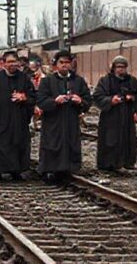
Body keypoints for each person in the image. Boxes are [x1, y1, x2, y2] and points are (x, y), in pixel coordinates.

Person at [37, 50, 92, 182]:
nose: (64, 65)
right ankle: (49, 169)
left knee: (70, 143)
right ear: (56, 65)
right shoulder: (47, 81)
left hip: (71, 119)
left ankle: (68, 169)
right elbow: (41, 101)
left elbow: (88, 101)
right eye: (61, 62)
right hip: (53, 120)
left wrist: (80, 101)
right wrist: (54, 101)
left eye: (67, 62)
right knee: (52, 144)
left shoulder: (78, 81)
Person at [0, 51, 36, 181]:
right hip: (0, 117)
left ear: (18, 63)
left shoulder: (24, 78)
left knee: (17, 143)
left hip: (18, 117)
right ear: (4, 63)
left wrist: (24, 98)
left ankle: (16, 171)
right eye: (9, 62)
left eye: (14, 62)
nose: (12, 64)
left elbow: (33, 96)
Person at [92, 55, 137, 172]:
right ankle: (108, 164)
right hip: (110, 117)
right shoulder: (105, 81)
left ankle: (127, 162)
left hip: (127, 116)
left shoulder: (132, 81)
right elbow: (97, 96)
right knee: (110, 140)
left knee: (128, 141)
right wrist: (111, 100)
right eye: (118, 67)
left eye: (123, 67)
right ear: (113, 68)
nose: (120, 69)